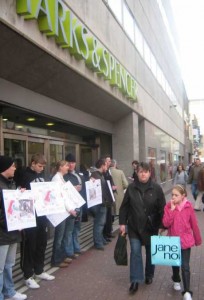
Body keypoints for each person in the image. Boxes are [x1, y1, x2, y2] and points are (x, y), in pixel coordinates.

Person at [119, 162, 166, 295]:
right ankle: (135, 279)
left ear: (149, 173)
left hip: (151, 227)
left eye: (145, 171)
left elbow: (163, 207)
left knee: (151, 253)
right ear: (137, 173)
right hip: (134, 226)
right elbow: (124, 207)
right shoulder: (131, 188)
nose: (143, 174)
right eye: (140, 171)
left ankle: (149, 274)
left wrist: (163, 224)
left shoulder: (156, 188)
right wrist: (122, 223)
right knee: (135, 252)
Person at [19, 154, 55, 289]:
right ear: (33, 163)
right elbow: (19, 194)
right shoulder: (24, 175)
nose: (41, 168)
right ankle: (28, 275)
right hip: (29, 216)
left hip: (42, 215)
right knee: (29, 246)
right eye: (40, 166)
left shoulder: (42, 176)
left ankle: (39, 270)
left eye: (43, 166)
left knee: (42, 243)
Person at [162, 185, 202, 300]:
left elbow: (194, 224)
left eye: (176, 195)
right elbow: (165, 223)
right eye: (172, 195)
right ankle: (176, 279)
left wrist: (197, 239)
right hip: (173, 240)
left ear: (183, 196)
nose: (173, 197)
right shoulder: (169, 206)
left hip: (185, 241)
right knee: (175, 263)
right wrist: (172, 210)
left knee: (185, 266)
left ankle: (187, 291)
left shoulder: (188, 207)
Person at [0, 156, 27, 300]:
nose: (15, 168)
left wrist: (20, 195)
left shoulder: (11, 183)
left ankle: (9, 291)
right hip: (3, 234)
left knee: (9, 264)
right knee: (0, 267)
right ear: (4, 168)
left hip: (13, 231)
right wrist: (13, 223)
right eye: (12, 166)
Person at [51, 160, 77, 267]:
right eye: (66, 165)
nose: (68, 167)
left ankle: (61, 257)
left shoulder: (60, 178)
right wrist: (70, 209)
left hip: (64, 211)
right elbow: (62, 196)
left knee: (61, 236)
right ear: (60, 167)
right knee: (59, 237)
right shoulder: (56, 179)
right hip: (60, 212)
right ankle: (56, 260)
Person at [63, 153, 86, 258]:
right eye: (69, 163)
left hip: (79, 204)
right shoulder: (64, 175)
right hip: (70, 206)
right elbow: (63, 190)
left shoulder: (78, 173)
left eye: (73, 162)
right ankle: (69, 251)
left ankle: (76, 247)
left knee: (77, 228)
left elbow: (85, 185)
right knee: (69, 229)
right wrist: (73, 188)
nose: (72, 165)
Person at [89, 158, 113, 250]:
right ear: (102, 165)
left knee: (101, 223)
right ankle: (98, 242)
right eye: (106, 165)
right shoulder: (96, 175)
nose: (107, 167)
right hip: (99, 203)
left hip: (102, 202)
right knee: (99, 223)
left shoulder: (99, 175)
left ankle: (100, 240)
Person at [103, 155, 117, 241]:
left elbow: (110, 181)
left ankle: (108, 232)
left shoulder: (108, 171)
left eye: (110, 161)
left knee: (109, 216)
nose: (109, 162)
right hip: (106, 198)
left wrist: (113, 186)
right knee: (105, 217)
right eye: (108, 161)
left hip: (110, 197)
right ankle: (105, 234)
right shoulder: (102, 173)